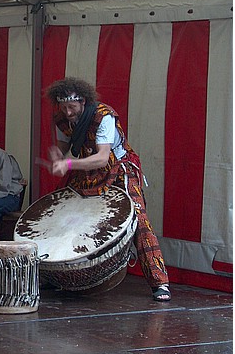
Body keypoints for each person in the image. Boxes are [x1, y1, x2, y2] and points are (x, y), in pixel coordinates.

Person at [45, 77, 171, 302]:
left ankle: (159, 282)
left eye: (72, 107)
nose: (68, 113)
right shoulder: (61, 118)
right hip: (86, 171)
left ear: (83, 102)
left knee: (139, 220)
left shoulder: (104, 116)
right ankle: (56, 275)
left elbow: (103, 158)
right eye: (63, 108)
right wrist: (58, 154)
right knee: (57, 208)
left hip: (118, 170)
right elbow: (66, 143)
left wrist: (68, 164)